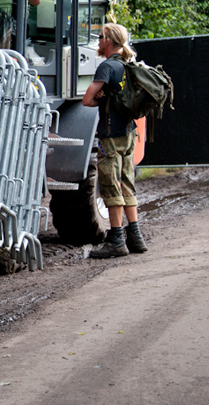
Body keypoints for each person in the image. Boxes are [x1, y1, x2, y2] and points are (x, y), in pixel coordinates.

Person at [81, 22, 148, 258]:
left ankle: (117, 239)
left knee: (111, 185)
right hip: (129, 133)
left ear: (108, 40)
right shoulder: (129, 64)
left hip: (111, 135)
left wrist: (101, 98)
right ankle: (136, 237)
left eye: (100, 37)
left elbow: (86, 100)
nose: (98, 41)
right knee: (127, 182)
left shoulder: (107, 67)